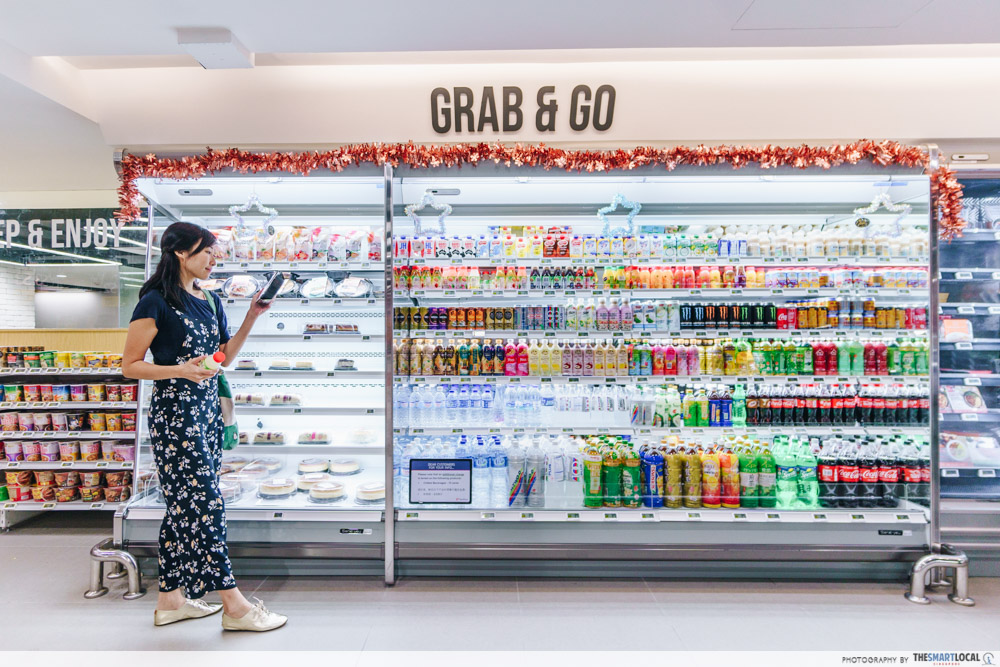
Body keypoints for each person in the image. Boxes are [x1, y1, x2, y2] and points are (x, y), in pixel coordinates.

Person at [123, 221, 286, 632]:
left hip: (206, 412)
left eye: (215, 251)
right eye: (208, 251)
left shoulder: (210, 300)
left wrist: (251, 316)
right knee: (207, 505)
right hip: (174, 415)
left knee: (183, 505)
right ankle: (235, 606)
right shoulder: (155, 300)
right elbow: (131, 366)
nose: (215, 258)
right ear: (181, 252)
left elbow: (223, 357)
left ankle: (171, 601)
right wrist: (179, 369)